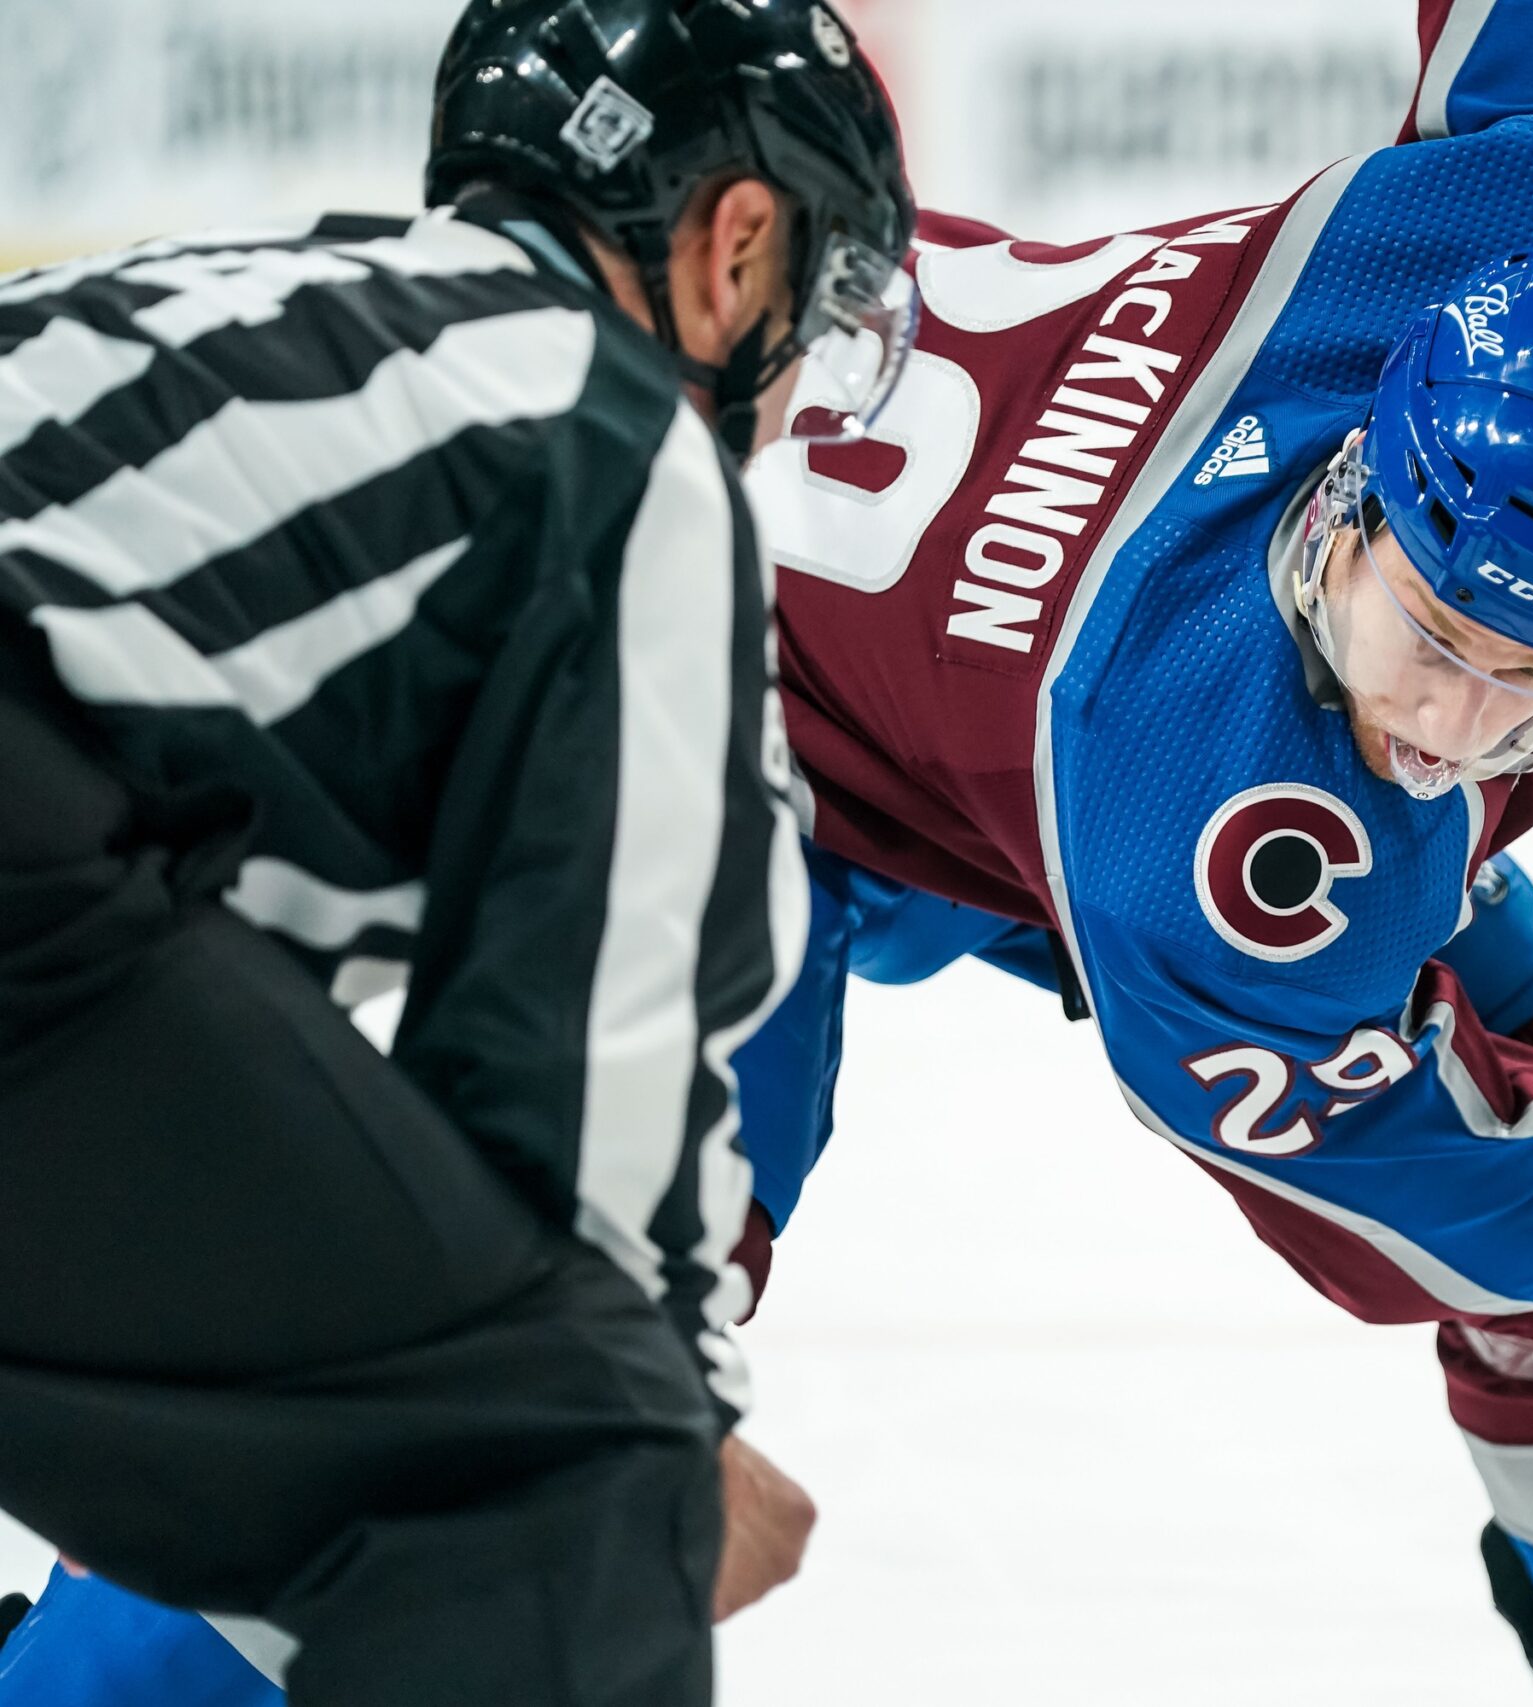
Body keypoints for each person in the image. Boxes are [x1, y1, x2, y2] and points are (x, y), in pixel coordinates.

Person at [729, 3, 1533, 1703]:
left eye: (1531, 694)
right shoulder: (1228, 855)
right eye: (1427, 639)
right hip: (711, 738)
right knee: (569, 1356)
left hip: (955, 630)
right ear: (1353, 502)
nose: (1442, 733)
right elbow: (1444, 1203)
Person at [0, 1, 913, 1703]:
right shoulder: (619, 437)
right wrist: (656, 1446)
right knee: (568, 1462)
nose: (793, 401)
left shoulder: (216, 313)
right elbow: (585, 1097)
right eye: (824, 311)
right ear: (737, 246)